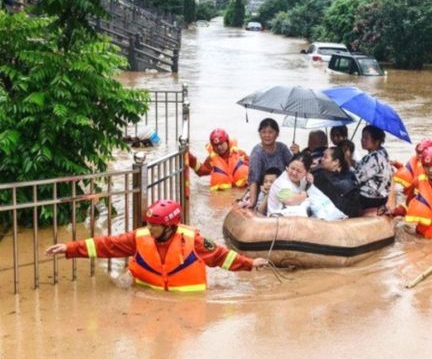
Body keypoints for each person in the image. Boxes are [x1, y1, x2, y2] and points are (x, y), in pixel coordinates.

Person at [45, 200, 268, 292]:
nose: (150, 229)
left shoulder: (194, 241)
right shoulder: (140, 237)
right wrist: (70, 248)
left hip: (186, 302)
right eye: (149, 224)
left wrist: (250, 264)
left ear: (170, 227)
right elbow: (107, 245)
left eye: (155, 226)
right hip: (145, 289)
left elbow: (221, 257)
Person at [243, 118, 294, 209]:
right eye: (263, 132)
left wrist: (297, 153)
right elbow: (253, 179)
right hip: (263, 190)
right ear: (259, 134)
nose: (267, 135)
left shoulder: (282, 148)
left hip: (281, 188)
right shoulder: (257, 153)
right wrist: (253, 201)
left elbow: (294, 167)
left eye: (270, 132)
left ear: (277, 134)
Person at [313, 147, 361, 218]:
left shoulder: (349, 176)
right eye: (322, 156)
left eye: (325, 157)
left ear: (336, 161)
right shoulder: (319, 174)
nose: (321, 159)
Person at [353, 125, 392, 211]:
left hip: (370, 198)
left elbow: (356, 178)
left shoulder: (374, 157)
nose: (362, 140)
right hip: (382, 196)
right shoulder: (383, 153)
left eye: (366, 138)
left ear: (377, 141)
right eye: (362, 137)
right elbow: (363, 168)